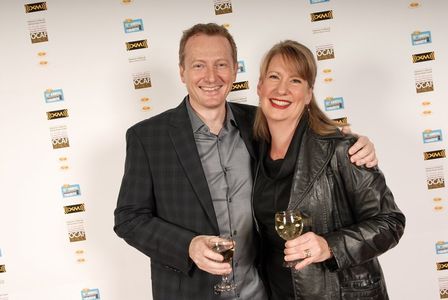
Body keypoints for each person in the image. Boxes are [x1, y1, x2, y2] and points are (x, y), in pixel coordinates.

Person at [113, 23, 377, 300]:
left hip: (260, 292)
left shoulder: (260, 123)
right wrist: (187, 246)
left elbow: (312, 138)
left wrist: (353, 141)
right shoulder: (148, 138)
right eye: (199, 65)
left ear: (235, 69)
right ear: (182, 71)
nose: (211, 76)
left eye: (221, 65)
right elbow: (129, 218)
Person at [252, 39, 406, 300]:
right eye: (274, 77)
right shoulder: (250, 148)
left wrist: (329, 246)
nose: (282, 89)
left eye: (295, 81)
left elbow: (390, 222)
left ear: (309, 94)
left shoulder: (342, 149)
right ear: (259, 86)